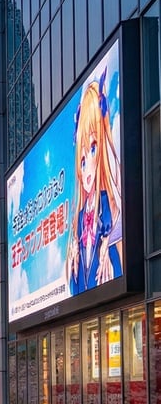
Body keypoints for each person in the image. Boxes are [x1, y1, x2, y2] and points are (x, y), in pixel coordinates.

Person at [66, 72, 123, 295]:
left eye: (92, 149)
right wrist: (73, 263)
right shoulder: (80, 218)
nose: (87, 168)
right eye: (82, 160)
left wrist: (109, 244)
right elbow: (75, 289)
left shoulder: (109, 205)